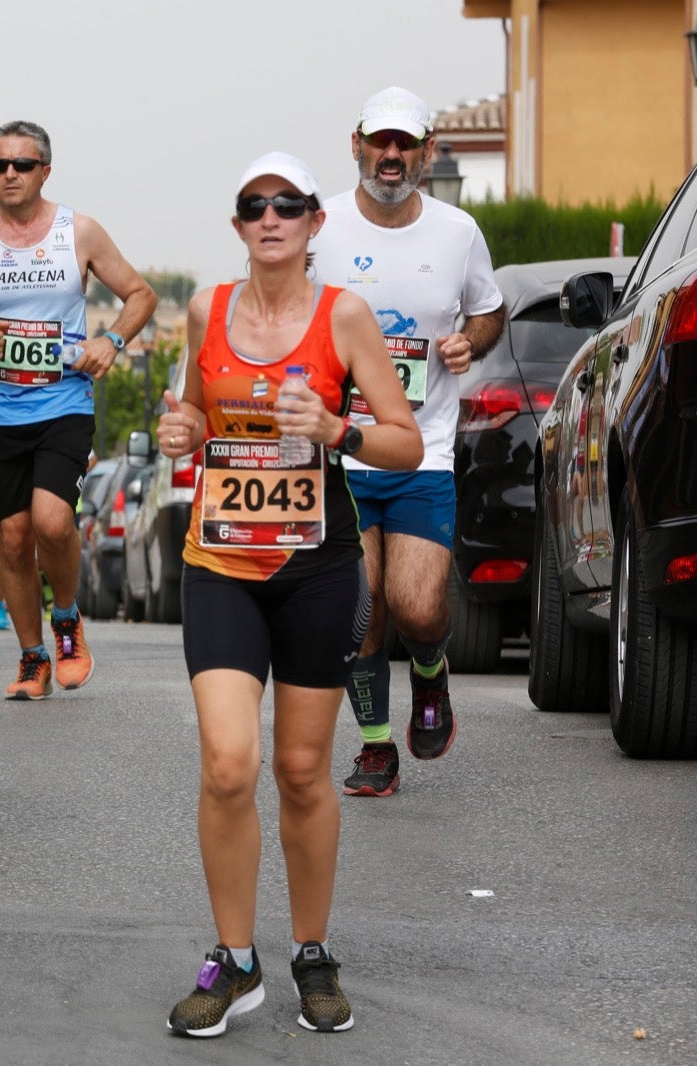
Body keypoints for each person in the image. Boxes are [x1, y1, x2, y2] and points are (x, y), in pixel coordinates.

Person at [155, 152, 422, 1038]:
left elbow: (405, 445)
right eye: (253, 207)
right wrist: (179, 430)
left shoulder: (344, 317)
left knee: (302, 771)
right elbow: (191, 418)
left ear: (312, 224)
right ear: (238, 227)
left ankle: (312, 951)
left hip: (315, 568)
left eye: (289, 206)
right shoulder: (207, 309)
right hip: (222, 561)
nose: (271, 218)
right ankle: (236, 961)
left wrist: (338, 428)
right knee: (229, 764)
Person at [310, 87, 505, 798]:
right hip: (344, 454)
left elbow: (488, 311)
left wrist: (466, 343)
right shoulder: (320, 226)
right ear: (356, 143)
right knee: (359, 607)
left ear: (425, 153)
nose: (390, 156)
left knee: (417, 607)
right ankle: (374, 748)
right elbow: (284, 312)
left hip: (425, 451)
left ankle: (430, 670)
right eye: (379, 141)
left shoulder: (458, 233)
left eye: (405, 144)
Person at [0, 120, 158, 700]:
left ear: (44, 171)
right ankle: (33, 658)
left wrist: (112, 341)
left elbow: (141, 294)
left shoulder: (79, 231)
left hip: (62, 402)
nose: (9, 175)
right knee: (12, 535)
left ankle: (69, 620)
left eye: (21, 165)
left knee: (52, 521)